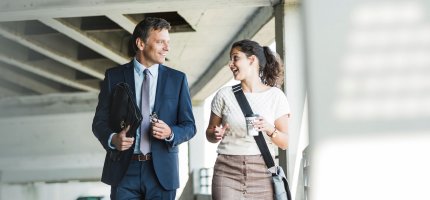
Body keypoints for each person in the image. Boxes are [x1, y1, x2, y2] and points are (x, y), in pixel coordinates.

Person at [92, 17, 196, 200]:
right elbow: (99, 122)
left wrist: (170, 132)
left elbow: (189, 126)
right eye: (160, 42)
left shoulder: (178, 80)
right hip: (123, 171)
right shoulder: (114, 76)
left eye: (168, 42)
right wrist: (113, 139)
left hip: (162, 173)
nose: (167, 48)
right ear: (140, 43)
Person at [206, 39, 291, 199]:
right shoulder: (224, 95)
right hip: (227, 170)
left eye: (235, 58)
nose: (230, 64)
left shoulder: (275, 96)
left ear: (251, 60)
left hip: (262, 172)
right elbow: (210, 133)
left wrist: (269, 128)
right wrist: (215, 134)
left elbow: (285, 142)